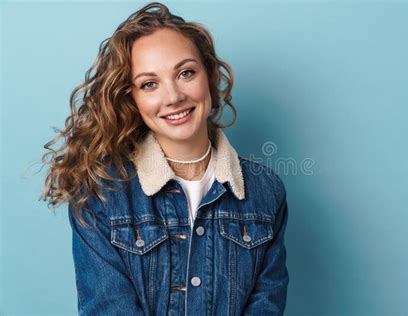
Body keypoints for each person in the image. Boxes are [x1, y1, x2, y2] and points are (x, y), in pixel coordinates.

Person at [41, 2, 289, 315]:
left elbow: (266, 305)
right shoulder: (100, 195)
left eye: (186, 73)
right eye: (149, 84)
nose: (173, 97)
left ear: (210, 77)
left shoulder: (266, 191)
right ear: (132, 99)